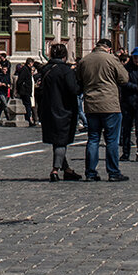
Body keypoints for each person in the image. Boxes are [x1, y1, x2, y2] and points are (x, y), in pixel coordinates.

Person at [76, 39, 129, 181]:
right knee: (111, 140)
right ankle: (113, 172)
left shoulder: (85, 60)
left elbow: (78, 79)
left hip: (91, 104)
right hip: (110, 104)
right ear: (109, 48)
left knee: (93, 138)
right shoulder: (112, 59)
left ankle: (90, 173)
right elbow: (124, 79)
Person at [37, 43, 81, 181]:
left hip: (47, 108)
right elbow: (73, 89)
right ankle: (55, 170)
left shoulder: (46, 69)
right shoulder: (65, 70)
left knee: (57, 141)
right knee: (61, 140)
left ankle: (66, 169)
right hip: (64, 109)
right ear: (65, 55)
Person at [15, 58, 36, 126]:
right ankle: (28, 119)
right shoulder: (25, 69)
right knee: (27, 105)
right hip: (25, 91)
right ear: (30, 63)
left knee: (27, 105)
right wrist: (20, 88)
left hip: (26, 90)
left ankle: (28, 119)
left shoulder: (27, 69)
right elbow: (20, 80)